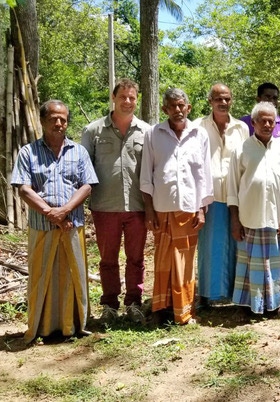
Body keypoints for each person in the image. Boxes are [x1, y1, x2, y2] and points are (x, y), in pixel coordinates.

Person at [12, 100, 99, 343]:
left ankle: (73, 326)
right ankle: (41, 328)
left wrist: (65, 211)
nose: (59, 123)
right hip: (42, 226)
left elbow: (87, 185)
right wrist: (51, 213)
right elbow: (23, 189)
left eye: (63, 119)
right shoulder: (28, 152)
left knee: (74, 275)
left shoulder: (79, 151)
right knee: (42, 277)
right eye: (53, 118)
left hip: (73, 224)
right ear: (42, 121)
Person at [140, 88, 213, 325]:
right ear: (165, 109)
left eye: (181, 105)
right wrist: (149, 210)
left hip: (189, 209)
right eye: (172, 106)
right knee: (162, 261)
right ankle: (160, 309)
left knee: (185, 261)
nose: (178, 110)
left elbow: (204, 176)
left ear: (188, 108)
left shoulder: (199, 135)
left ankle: (184, 309)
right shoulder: (153, 134)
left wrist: (202, 210)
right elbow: (146, 176)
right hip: (162, 208)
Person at [81, 78, 150, 324]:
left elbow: (151, 170)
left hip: (137, 207)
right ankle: (110, 305)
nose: (128, 102)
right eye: (123, 97)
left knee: (136, 258)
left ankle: (134, 303)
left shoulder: (146, 131)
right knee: (108, 259)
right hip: (105, 207)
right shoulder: (93, 130)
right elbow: (83, 167)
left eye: (132, 97)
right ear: (113, 97)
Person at [227, 102, 280, 315]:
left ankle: (274, 304)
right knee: (249, 266)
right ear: (254, 122)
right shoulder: (241, 149)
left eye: (271, 121)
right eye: (262, 120)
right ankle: (249, 305)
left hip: (275, 218)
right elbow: (232, 188)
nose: (267, 124)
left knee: (273, 265)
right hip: (249, 217)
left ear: (276, 123)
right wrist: (235, 219)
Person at [193, 83, 249, 307]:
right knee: (210, 246)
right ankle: (207, 295)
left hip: (236, 195)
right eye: (218, 99)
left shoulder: (241, 128)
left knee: (237, 243)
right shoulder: (198, 126)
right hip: (210, 196)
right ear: (210, 101)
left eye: (227, 98)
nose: (223, 103)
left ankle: (235, 294)